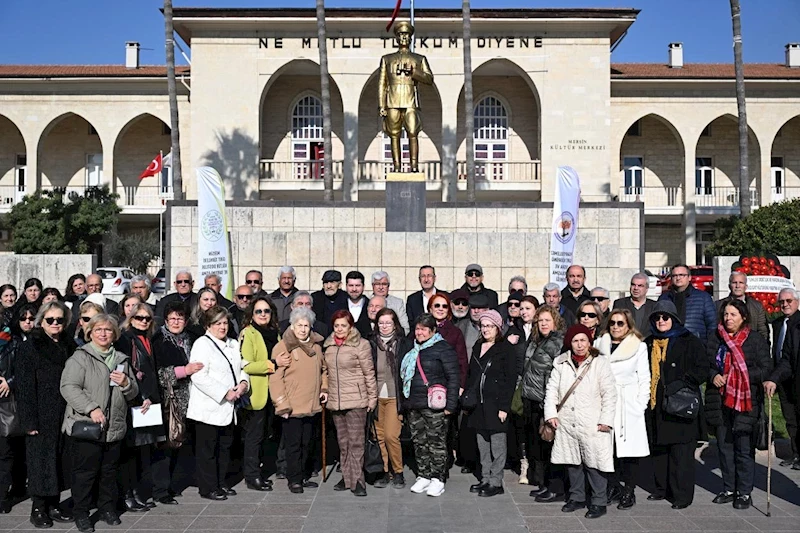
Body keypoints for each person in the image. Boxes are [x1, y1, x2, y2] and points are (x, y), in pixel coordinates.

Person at [60, 314, 139, 533]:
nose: (103, 334)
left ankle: (106, 508)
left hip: (113, 427)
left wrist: (126, 383)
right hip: (88, 427)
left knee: (109, 472)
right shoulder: (80, 358)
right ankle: (81, 513)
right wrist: (91, 408)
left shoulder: (121, 359)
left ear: (114, 334)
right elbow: (68, 387)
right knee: (85, 474)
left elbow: (133, 393)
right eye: (98, 330)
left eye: (107, 330)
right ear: (90, 333)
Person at [544, 324, 617, 520]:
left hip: (593, 422)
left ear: (589, 341)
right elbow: (551, 389)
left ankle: (598, 502)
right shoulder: (560, 362)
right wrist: (551, 413)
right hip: (567, 421)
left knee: (595, 464)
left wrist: (606, 420)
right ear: (570, 343)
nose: (579, 345)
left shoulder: (599, 363)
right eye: (575, 341)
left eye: (583, 340)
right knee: (572, 461)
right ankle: (576, 497)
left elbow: (610, 394)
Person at [705, 299, 771, 510]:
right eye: (725, 314)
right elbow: (706, 363)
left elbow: (765, 369)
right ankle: (728, 488)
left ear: (743, 317)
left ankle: (744, 492)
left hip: (745, 400)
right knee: (724, 447)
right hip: (720, 399)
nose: (728, 319)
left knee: (743, 448)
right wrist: (713, 374)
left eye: (733, 315)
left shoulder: (754, 340)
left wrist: (739, 375)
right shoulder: (716, 338)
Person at [16, 301, 75, 528]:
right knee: (41, 461)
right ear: (41, 321)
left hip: (64, 410)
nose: (55, 324)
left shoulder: (68, 344)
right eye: (50, 320)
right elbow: (24, 386)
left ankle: (54, 503)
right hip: (40, 412)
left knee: (59, 460)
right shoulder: (30, 346)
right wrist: (29, 420)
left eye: (60, 320)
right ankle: (38, 508)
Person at [644, 301, 706, 509]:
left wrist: (682, 382)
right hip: (656, 405)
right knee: (660, 451)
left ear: (674, 319)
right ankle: (662, 489)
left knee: (681, 454)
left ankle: (682, 495)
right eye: (657, 318)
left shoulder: (689, 340)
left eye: (666, 317)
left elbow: (702, 369)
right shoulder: (649, 342)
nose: (661, 321)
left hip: (680, 404)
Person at [187, 306, 249, 501]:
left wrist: (244, 383)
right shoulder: (202, 344)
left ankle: (221, 482)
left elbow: (242, 365)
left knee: (224, 448)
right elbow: (199, 376)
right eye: (218, 323)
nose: (223, 327)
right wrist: (224, 393)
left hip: (230, 408)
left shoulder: (232, 343)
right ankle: (208, 487)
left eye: (225, 323)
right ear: (208, 325)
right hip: (209, 407)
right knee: (208, 450)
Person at [594, 309, 650, 509]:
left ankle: (629, 490)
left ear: (628, 326)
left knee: (629, 451)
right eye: (613, 323)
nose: (616, 327)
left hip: (628, 404)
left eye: (620, 323)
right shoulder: (599, 344)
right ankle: (613, 486)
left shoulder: (638, 346)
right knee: (608, 449)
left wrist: (640, 404)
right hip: (604, 403)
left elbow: (645, 378)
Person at [401, 314, 460, 497]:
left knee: (437, 442)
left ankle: (438, 477)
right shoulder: (413, 349)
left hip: (434, 405)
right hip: (414, 403)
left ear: (433, 330)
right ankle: (424, 475)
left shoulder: (443, 348)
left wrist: (451, 405)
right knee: (419, 441)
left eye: (424, 329)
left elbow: (453, 378)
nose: (419, 332)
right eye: (417, 329)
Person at [270, 307, 327, 494]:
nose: (303, 329)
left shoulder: (316, 346)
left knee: (307, 442)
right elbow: (276, 378)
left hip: (311, 404)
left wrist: (324, 388)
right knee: (293, 445)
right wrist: (282, 404)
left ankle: (302, 476)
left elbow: (323, 370)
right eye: (299, 325)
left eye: (306, 325)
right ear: (292, 327)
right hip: (292, 406)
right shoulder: (283, 346)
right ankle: (293, 479)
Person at [151, 301, 202, 505]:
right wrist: (184, 371)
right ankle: (160, 490)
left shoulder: (191, 339)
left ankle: (170, 485)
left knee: (178, 444)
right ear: (165, 320)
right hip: (167, 401)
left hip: (189, 401)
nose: (176, 321)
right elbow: (157, 374)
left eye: (180, 318)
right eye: (172, 318)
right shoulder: (158, 341)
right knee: (165, 445)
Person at [323, 310, 377, 497]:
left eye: (343, 325)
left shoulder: (361, 345)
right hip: (336, 401)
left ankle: (358, 480)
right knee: (343, 442)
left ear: (350, 326)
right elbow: (325, 372)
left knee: (356, 443)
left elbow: (369, 373)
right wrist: (324, 390)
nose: (339, 329)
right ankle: (347, 477)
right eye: (336, 325)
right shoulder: (328, 346)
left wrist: (372, 398)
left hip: (356, 400)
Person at [116, 303, 163, 512]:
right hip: (133, 400)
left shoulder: (149, 338)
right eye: (139, 317)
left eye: (147, 318)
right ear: (130, 318)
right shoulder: (126, 339)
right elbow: (125, 371)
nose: (143, 321)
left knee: (144, 449)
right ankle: (128, 494)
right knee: (130, 451)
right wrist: (140, 395)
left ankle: (139, 492)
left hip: (148, 401)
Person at [466, 310, 516, 497]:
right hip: (479, 404)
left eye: (490, 326)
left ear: (498, 328)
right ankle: (485, 478)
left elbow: (510, 380)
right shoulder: (478, 346)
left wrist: (504, 407)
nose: (485, 329)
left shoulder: (506, 349)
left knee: (497, 445)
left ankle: (496, 482)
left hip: (496, 405)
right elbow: (472, 375)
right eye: (483, 326)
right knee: (483, 445)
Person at [521, 305, 565, 503]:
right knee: (538, 446)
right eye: (540, 321)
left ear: (555, 322)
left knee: (549, 446)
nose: (544, 324)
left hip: (544, 402)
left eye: (548, 320)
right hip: (531, 399)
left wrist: (550, 405)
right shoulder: (536, 341)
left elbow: (554, 376)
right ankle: (544, 484)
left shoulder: (557, 342)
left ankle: (555, 488)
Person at [378, 21, 434, 172]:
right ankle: (396, 167)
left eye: (407, 35)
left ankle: (414, 167)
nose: (404, 38)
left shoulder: (419, 59)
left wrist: (414, 72)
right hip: (392, 101)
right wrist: (382, 106)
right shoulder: (387, 59)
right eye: (401, 35)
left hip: (410, 100)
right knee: (394, 134)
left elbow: (429, 79)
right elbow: (382, 84)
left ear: (410, 38)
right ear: (396, 38)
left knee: (412, 132)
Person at [239, 295, 281, 492]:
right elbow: (246, 364)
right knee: (254, 437)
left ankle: (261, 471)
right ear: (251, 314)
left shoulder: (275, 333)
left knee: (267, 435)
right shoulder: (249, 333)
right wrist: (272, 365)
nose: (263, 314)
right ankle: (252, 476)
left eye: (266, 311)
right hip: (257, 393)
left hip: (273, 393)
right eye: (258, 311)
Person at [369, 308, 413, 489]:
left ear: (395, 324)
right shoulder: (371, 343)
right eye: (381, 323)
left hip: (395, 396)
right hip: (376, 395)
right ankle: (384, 471)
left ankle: (398, 471)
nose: (384, 326)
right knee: (378, 436)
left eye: (388, 322)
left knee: (391, 435)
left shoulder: (403, 344)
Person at [0, 304, 35, 512]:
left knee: (6, 452)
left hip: (6, 402)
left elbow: (21, 370)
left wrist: (9, 382)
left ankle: (4, 496)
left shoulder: (11, 342)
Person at [766, 288, 799, 469]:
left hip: (796, 377)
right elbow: (781, 353)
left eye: (789, 301)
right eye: (782, 302)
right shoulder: (778, 323)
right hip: (783, 376)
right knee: (790, 418)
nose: (785, 305)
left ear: (797, 302)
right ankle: (795, 453)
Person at [658, 264, 716, 343]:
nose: (678, 278)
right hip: (669, 346)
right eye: (675, 275)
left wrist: (710, 351)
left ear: (689, 277)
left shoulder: (703, 297)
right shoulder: (664, 298)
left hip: (696, 346)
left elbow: (712, 326)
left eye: (682, 275)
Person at [714, 272, 769, 340]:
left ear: (746, 286)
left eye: (741, 282)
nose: (738, 286)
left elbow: (763, 331)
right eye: (734, 282)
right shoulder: (718, 305)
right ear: (729, 286)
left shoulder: (757, 306)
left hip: (751, 347)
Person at [613, 273, 656, 338]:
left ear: (646, 288)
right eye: (633, 285)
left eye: (640, 285)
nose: (636, 288)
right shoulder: (620, 304)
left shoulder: (654, 306)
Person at [345, 271, 371, 338]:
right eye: (351, 285)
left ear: (363, 286)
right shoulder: (338, 306)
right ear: (346, 286)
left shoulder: (371, 305)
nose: (354, 289)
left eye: (357, 285)